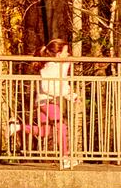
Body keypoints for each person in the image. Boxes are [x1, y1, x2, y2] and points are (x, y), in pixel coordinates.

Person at [8, 38, 80, 168]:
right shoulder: (50, 66)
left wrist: (71, 95)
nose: (68, 54)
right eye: (66, 52)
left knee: (44, 132)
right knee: (61, 127)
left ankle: (18, 127)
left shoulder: (59, 65)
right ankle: (65, 157)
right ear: (58, 54)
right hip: (48, 101)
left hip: (44, 102)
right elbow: (49, 87)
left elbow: (63, 83)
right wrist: (65, 94)